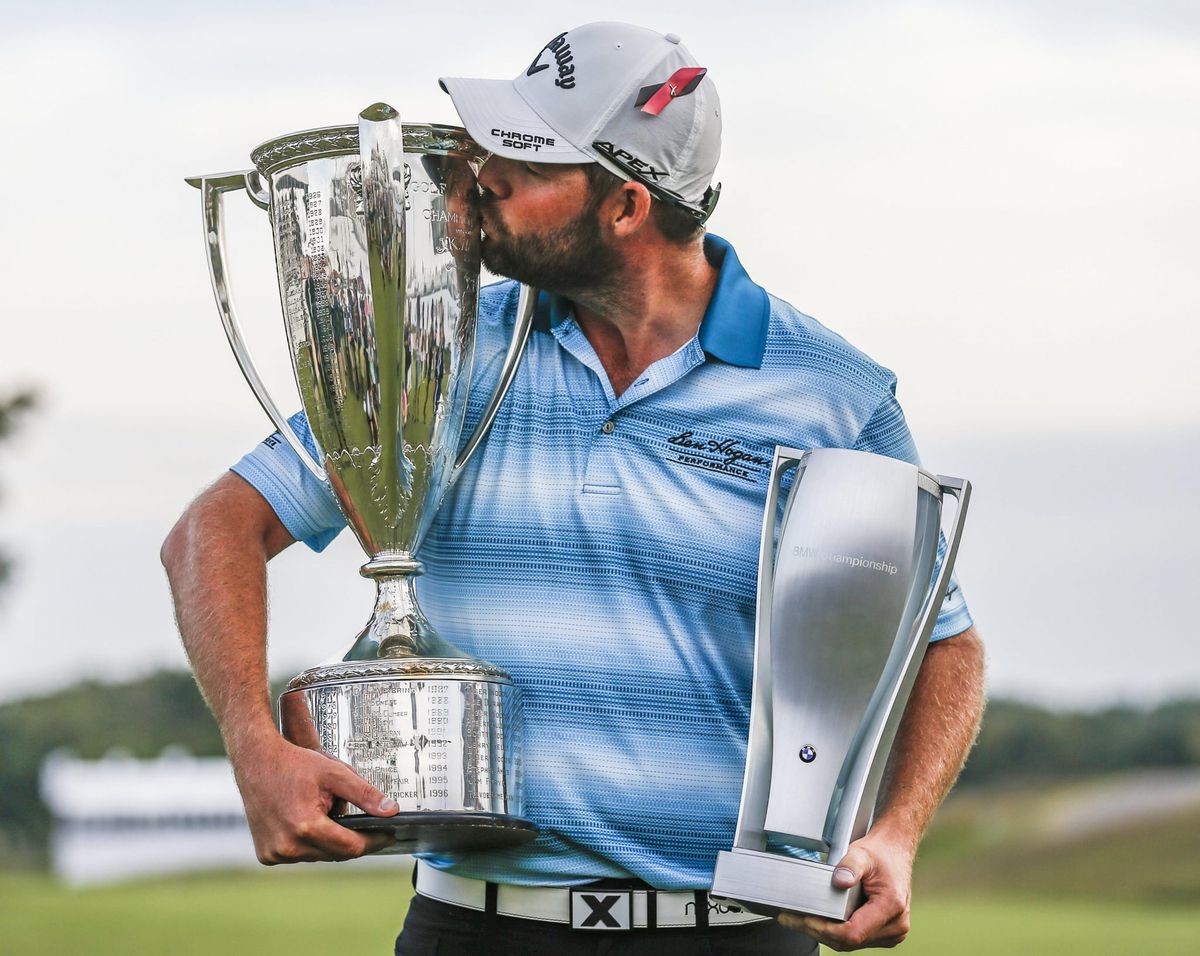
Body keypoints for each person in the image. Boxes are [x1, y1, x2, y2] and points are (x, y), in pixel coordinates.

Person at [162, 21, 984, 955]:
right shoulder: (447, 348)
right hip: (475, 930)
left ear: (626, 207)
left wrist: (897, 832)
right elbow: (211, 533)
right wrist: (253, 748)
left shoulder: (831, 395)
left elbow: (942, 645)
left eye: (524, 157)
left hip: (735, 936)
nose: (478, 174)